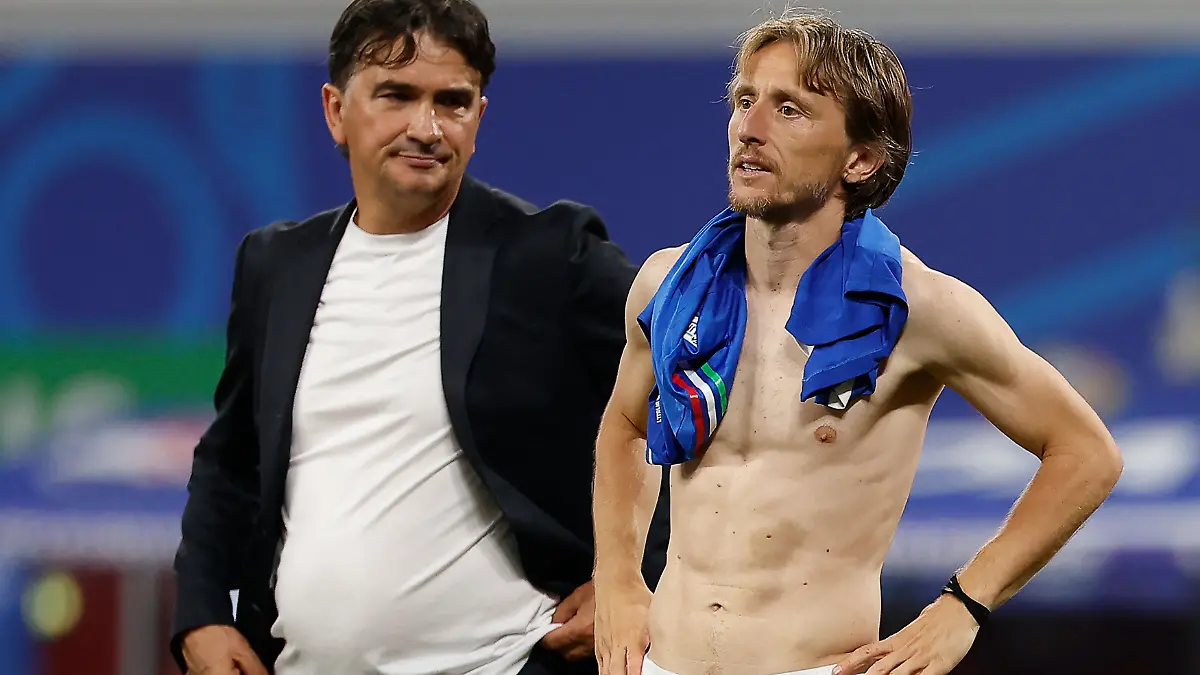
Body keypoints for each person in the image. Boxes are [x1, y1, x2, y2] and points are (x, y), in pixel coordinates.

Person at [592, 10, 1122, 675]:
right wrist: (617, 578)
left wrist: (962, 607)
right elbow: (626, 424)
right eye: (745, 100)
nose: (750, 128)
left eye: (789, 109)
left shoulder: (919, 308)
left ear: (861, 159)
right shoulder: (666, 286)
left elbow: (1085, 453)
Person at [169, 1, 670, 674]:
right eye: (396, 96)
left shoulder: (549, 254)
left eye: (452, 102)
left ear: (479, 116)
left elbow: (690, 392)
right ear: (335, 110)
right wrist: (201, 612)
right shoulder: (275, 265)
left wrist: (636, 575)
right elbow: (231, 462)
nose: (426, 128)